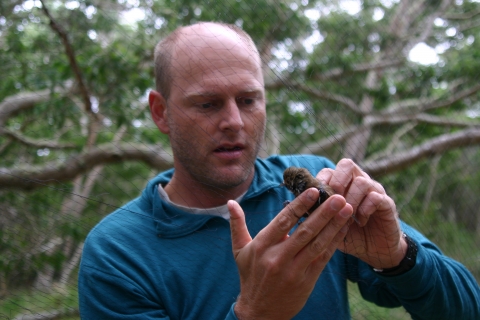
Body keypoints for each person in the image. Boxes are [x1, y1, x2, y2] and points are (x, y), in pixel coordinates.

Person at [78, 22, 480, 319]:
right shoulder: (118, 252)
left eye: (249, 100)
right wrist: (254, 313)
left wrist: (398, 257)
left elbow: (467, 308)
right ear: (161, 113)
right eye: (207, 104)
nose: (234, 121)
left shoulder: (318, 186)